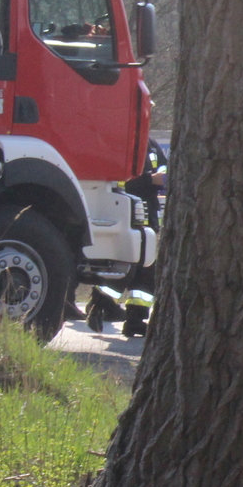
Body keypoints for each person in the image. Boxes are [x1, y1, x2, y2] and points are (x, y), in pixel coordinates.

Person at [86, 138, 167, 337]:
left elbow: (165, 169)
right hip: (125, 214)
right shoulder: (121, 141)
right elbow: (116, 179)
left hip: (147, 216)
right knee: (125, 267)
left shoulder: (151, 144)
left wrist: (162, 176)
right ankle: (99, 305)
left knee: (147, 272)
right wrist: (150, 180)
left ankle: (135, 321)